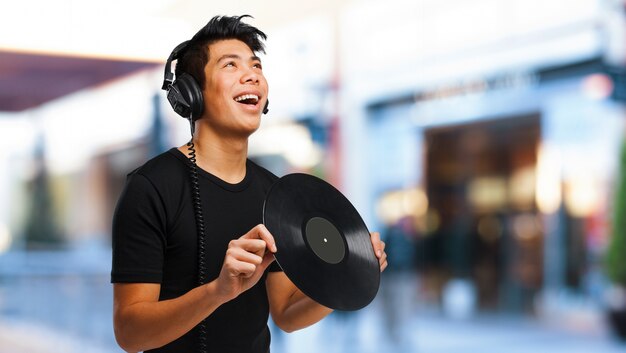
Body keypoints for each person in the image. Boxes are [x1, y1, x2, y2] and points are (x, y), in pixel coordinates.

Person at [111, 15, 387, 353]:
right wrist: (218, 291)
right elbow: (129, 333)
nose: (252, 75)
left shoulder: (277, 193)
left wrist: (349, 278)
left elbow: (286, 313)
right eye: (231, 65)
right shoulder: (150, 188)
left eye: (256, 66)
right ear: (192, 93)